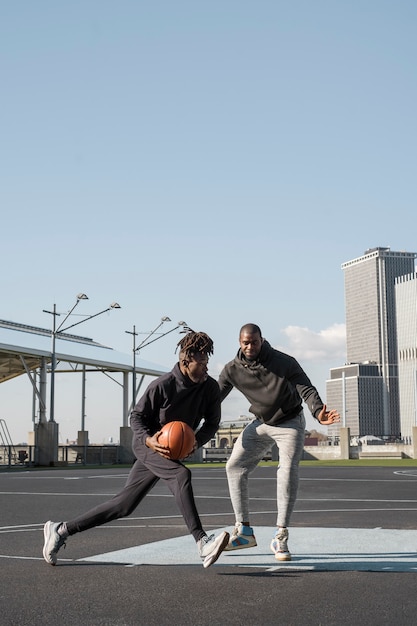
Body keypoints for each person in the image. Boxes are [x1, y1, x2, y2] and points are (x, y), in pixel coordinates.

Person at [43, 331, 229, 568]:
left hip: (170, 451)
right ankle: (202, 541)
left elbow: (212, 423)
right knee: (181, 474)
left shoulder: (210, 388)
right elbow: (136, 417)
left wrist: (196, 440)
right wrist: (149, 440)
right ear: (185, 362)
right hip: (148, 446)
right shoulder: (162, 386)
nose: (206, 368)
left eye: (207, 363)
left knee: (123, 506)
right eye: (201, 363)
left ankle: (61, 530)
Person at [218, 323, 340, 561]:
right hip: (261, 423)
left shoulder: (284, 362)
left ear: (261, 340)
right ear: (239, 342)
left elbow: (306, 388)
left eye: (254, 341)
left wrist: (317, 411)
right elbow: (213, 397)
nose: (250, 346)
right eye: (245, 342)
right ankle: (243, 531)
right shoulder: (232, 369)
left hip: (290, 422)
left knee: (286, 471)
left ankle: (281, 536)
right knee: (234, 466)